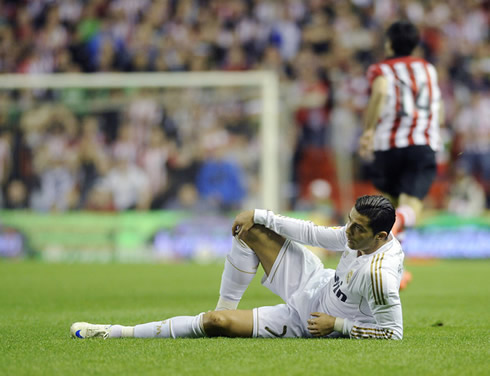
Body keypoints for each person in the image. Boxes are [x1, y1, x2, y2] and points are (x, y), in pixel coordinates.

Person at [71, 195, 404, 340]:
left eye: (357, 228)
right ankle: (225, 307)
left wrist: (338, 324)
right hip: (314, 281)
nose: (348, 232)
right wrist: (260, 215)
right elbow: (315, 233)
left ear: (381, 236)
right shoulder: (354, 236)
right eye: (349, 221)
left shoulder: (379, 275)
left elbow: (393, 333)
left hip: (308, 322)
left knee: (215, 323)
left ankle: (114, 332)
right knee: (249, 231)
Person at [359, 21, 444, 238]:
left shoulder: (381, 69)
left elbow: (379, 91)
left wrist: (368, 130)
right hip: (421, 143)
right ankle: (398, 229)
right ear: (416, 45)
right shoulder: (428, 69)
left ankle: (396, 267)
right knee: (411, 205)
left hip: (388, 145)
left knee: (388, 208)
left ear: (388, 44)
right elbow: (439, 107)